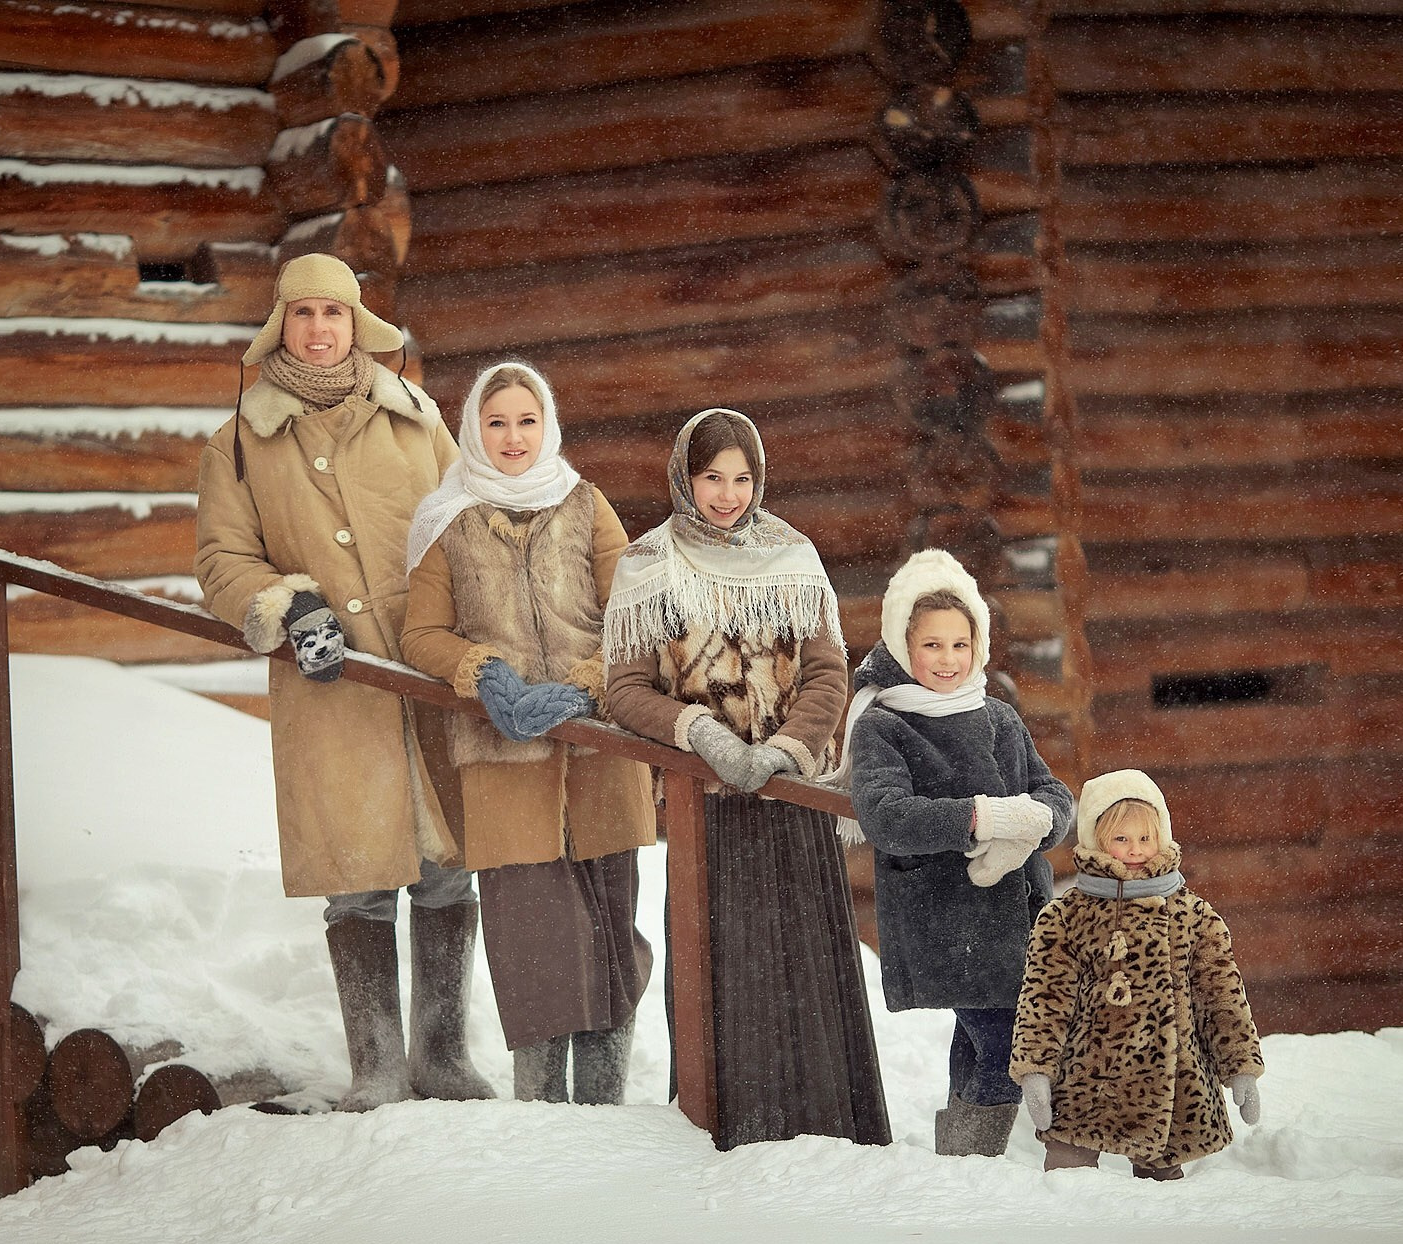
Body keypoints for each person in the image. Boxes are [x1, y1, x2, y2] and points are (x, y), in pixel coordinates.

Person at [194, 252, 493, 1111]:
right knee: (358, 878)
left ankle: (441, 1057)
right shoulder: (239, 442)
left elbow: (466, 522)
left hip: (425, 667)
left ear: (356, 323)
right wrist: (284, 604)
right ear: (278, 326)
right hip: (331, 682)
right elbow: (222, 558)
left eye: (333, 313)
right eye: (302, 315)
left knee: (448, 867)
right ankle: (377, 1071)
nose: (319, 331)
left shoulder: (415, 418)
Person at [602, 407, 889, 1149]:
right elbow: (625, 689)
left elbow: (829, 672)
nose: (727, 494)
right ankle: (726, 1131)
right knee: (722, 969)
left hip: (791, 798)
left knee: (806, 963)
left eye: (740, 478)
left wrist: (789, 750)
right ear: (685, 479)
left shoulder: (793, 555)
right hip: (709, 806)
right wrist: (701, 736)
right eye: (711, 478)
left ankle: (827, 1128)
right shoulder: (650, 563)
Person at [400, 361, 658, 1104]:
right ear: (474, 431)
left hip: (602, 754)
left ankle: (602, 1108)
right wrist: (485, 676)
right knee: (537, 944)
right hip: (502, 759)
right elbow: (421, 634)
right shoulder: (446, 521)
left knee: (613, 933)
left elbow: (635, 614)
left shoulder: (586, 505)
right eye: (497, 422)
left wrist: (584, 685)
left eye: (526, 421)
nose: (513, 437)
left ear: (547, 425)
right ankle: (542, 1118)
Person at [841, 549, 1073, 1157]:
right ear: (901, 645)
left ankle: (959, 1160)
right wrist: (980, 815)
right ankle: (978, 1157)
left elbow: (1054, 793)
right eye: (932, 646)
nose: (947, 660)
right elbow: (887, 817)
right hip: (944, 919)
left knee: (979, 1041)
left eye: (960, 645)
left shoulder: (998, 718)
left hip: (1016, 914)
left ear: (980, 646)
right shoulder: (884, 726)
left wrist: (1040, 819)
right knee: (1007, 1046)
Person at [1011, 769, 1265, 1179]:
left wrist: (1241, 1068)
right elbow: (1044, 998)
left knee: (1163, 1199)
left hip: (1171, 1078)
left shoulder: (1192, 915)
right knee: (1067, 1181)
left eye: (1145, 838)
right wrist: (1036, 1069)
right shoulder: (1067, 916)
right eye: (1121, 839)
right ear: (1097, 840)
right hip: (1086, 1080)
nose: (1135, 851)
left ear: (1161, 837)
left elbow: (1222, 996)